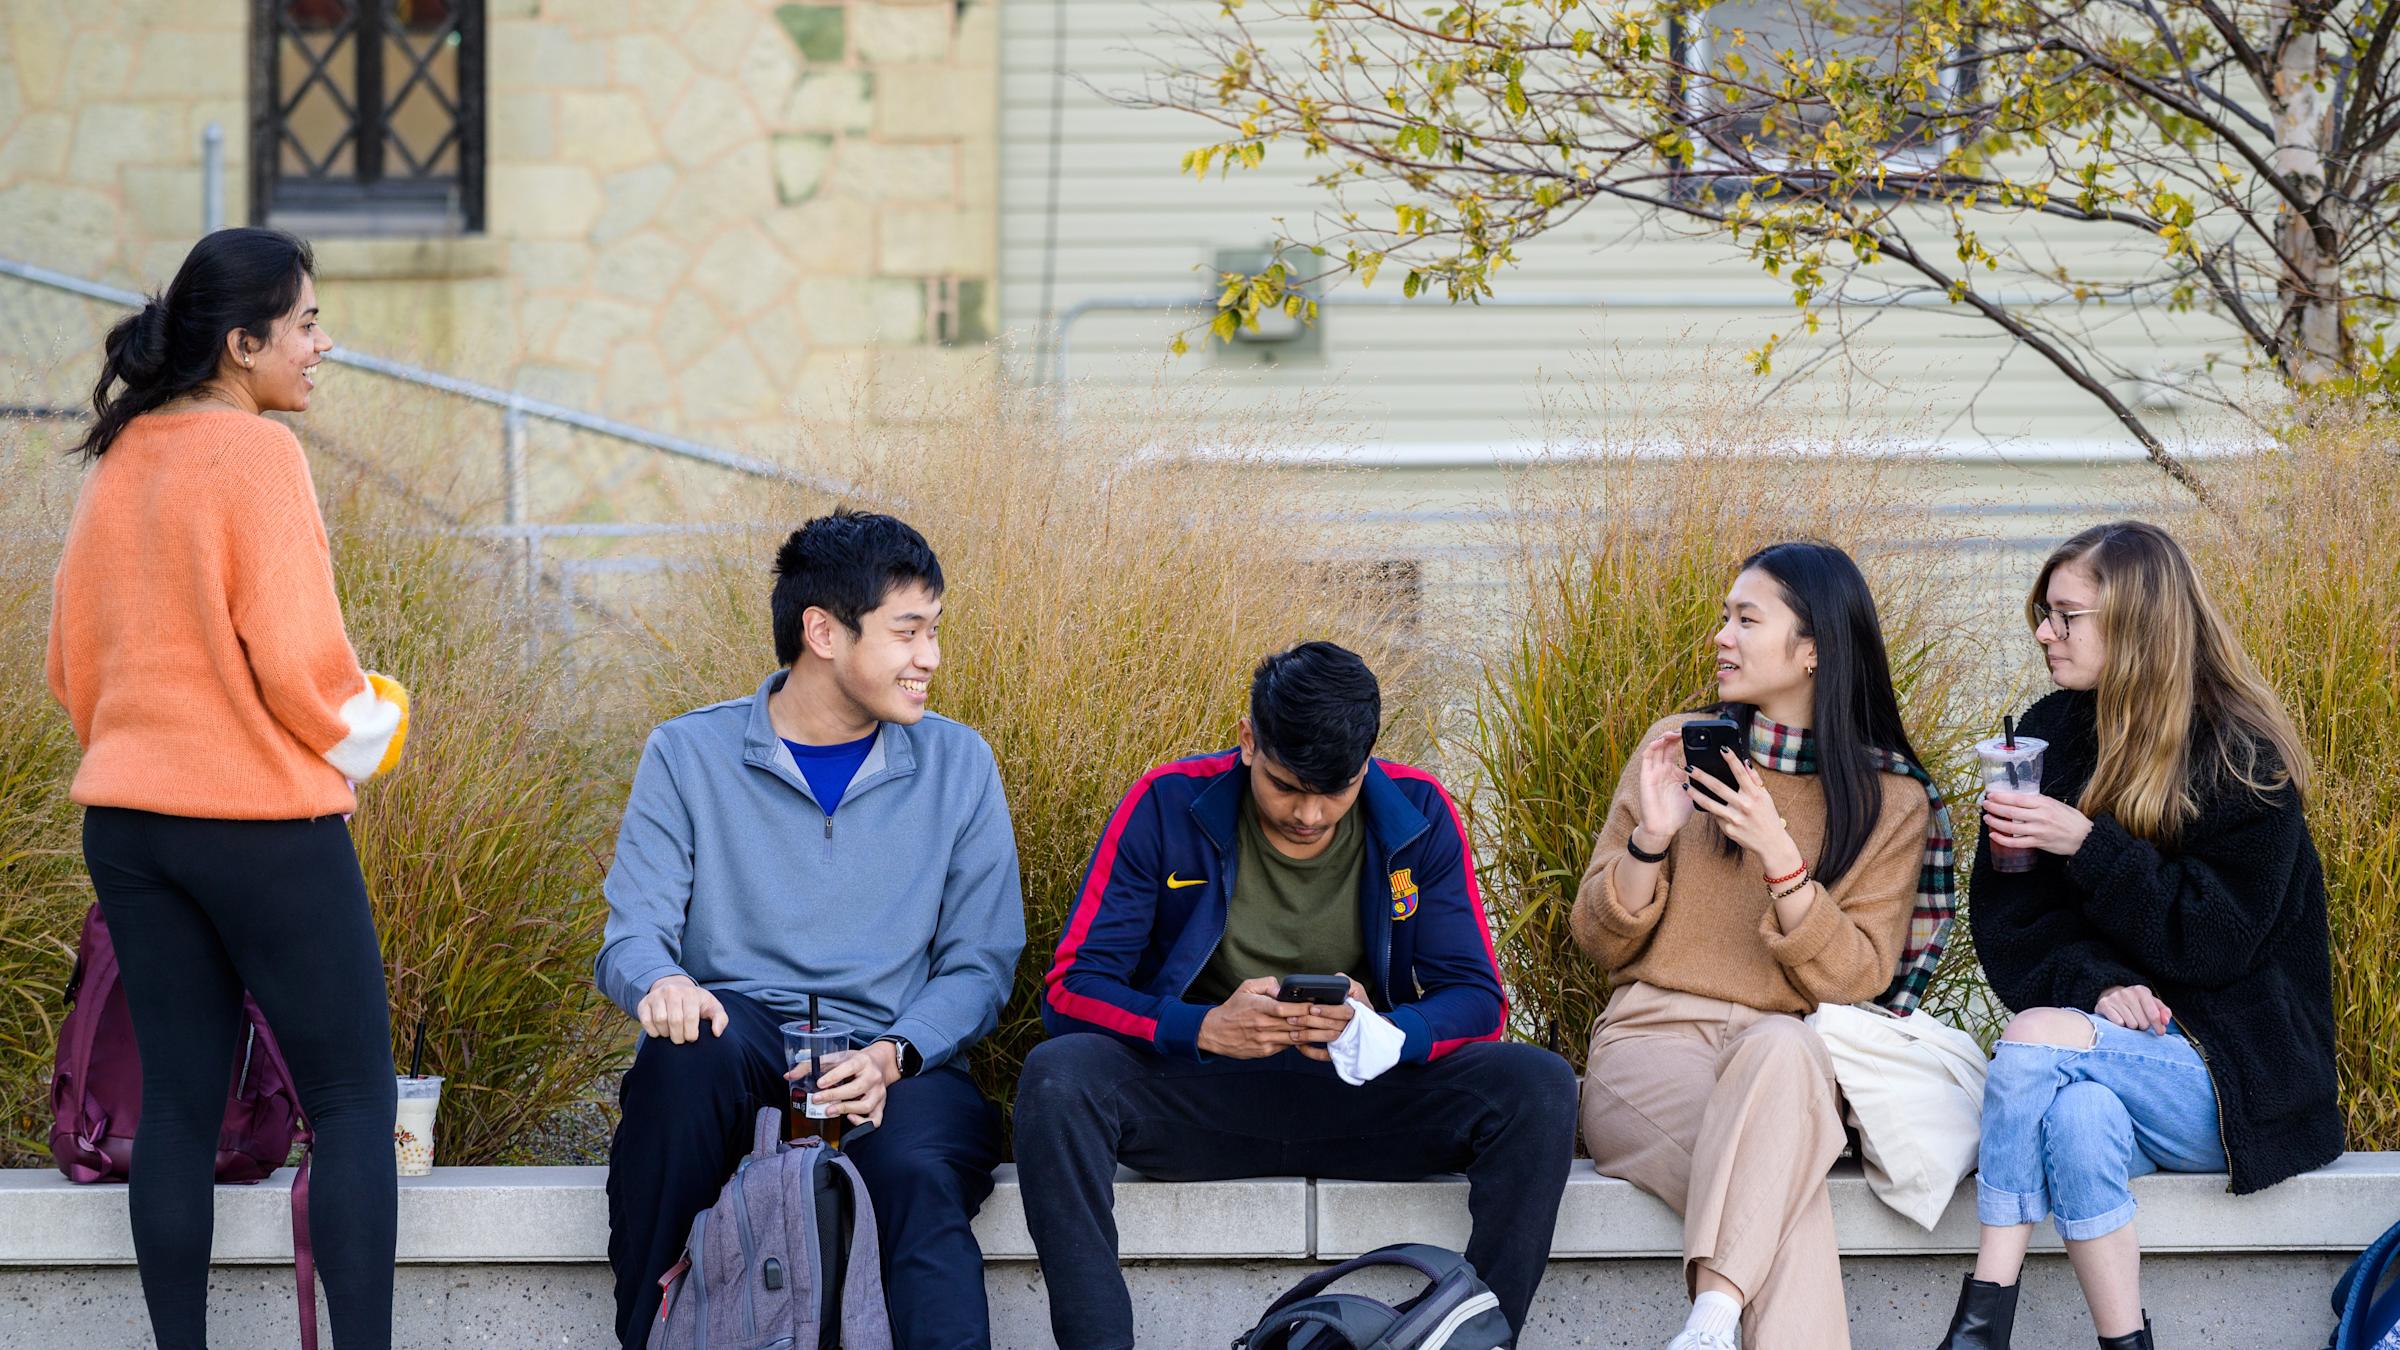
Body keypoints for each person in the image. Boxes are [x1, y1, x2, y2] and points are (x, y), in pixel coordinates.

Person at [46, 227, 411, 1350]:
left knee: (179, 1110)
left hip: (130, 825)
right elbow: (303, 661)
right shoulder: (257, 457)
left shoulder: (128, 454)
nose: (322, 343)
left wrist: (145, 739)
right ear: (244, 342)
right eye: (305, 323)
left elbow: (72, 662)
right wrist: (371, 727)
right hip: (258, 825)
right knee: (353, 1104)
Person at [1015, 640, 1578, 1350]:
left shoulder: (1419, 811)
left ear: (1369, 759)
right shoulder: (1165, 803)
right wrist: (1201, 1027)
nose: (1310, 814)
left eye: (1336, 790)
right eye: (1286, 786)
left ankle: (1475, 1340)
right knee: (1058, 1079)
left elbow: (1478, 997)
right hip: (1200, 1097)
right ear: (1249, 740)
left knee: (1540, 1084)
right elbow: (1071, 991)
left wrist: (1387, 1030)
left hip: (1366, 1095)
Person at [594, 509, 1025, 1350]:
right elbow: (631, 936)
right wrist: (665, 986)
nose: (929, 657)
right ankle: (647, 1336)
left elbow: (980, 964)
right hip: (742, 1043)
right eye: (908, 632)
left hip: (896, 1058)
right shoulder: (688, 755)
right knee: (683, 1067)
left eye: (934, 630)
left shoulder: (959, 764)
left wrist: (896, 1054)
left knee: (914, 1173)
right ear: (822, 631)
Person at [1932, 521, 2340, 1350]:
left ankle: (1982, 1315)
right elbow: (2014, 928)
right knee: (2077, 1118)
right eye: (2043, 614)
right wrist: (2093, 987)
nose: (2045, 633)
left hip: (2236, 1080)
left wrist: (2085, 842)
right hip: (2112, 1067)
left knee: (2036, 1038)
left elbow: (2219, 939)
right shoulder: (2049, 735)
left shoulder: (2240, 758)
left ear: (2137, 622)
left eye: (2066, 616)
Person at [1573, 541, 1958, 1350]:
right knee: (1784, 1204)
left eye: (1747, 619)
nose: (1723, 635)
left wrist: (1783, 864)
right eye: (1726, 616)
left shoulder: (1890, 799)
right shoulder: (1678, 747)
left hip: (1787, 1065)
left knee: (1784, 1045)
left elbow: (1858, 978)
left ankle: (1710, 1321)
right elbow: (1598, 939)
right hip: (1652, 1046)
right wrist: (1651, 837)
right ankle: (1713, 1319)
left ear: (1813, 647)